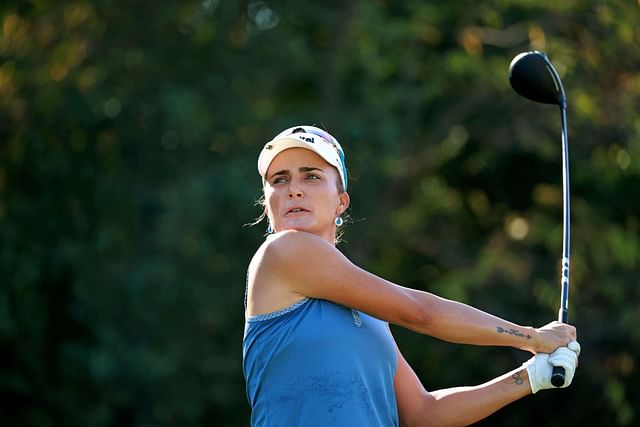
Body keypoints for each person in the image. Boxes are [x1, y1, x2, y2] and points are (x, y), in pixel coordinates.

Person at [242, 125, 580, 426]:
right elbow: (421, 312)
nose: (293, 189)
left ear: (341, 202)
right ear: (267, 206)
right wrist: (533, 338)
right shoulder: (282, 252)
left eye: (311, 176)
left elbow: (423, 413)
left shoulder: (369, 316)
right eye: (279, 179)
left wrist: (531, 376)